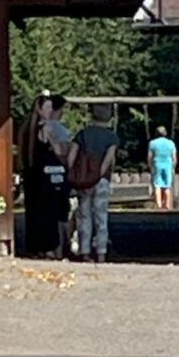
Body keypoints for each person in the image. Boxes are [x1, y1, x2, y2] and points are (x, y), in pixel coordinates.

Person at [68, 103, 120, 264]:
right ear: (110, 118)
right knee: (101, 216)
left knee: (84, 216)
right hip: (101, 180)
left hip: (83, 181)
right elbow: (107, 161)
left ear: (92, 116)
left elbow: (71, 157)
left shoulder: (82, 134)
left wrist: (74, 175)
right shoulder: (111, 137)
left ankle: (84, 252)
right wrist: (97, 175)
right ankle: (101, 252)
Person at [23, 93, 72, 258]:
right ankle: (52, 247)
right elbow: (60, 152)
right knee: (50, 213)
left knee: (33, 212)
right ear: (41, 109)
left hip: (32, 175)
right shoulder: (47, 127)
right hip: (49, 176)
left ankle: (35, 247)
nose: (51, 111)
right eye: (48, 107)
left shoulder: (27, 128)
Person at [147, 124, 178, 210]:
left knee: (157, 185)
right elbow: (174, 157)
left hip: (157, 164)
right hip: (168, 164)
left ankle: (159, 205)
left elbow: (150, 157)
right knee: (167, 186)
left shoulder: (152, 143)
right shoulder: (171, 143)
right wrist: (173, 166)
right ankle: (167, 205)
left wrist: (150, 166)